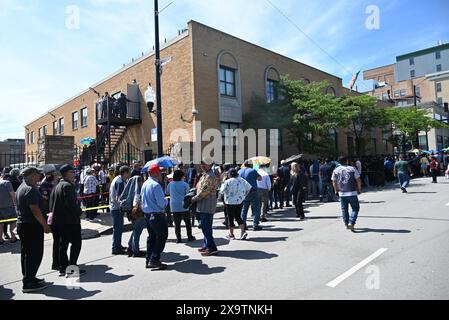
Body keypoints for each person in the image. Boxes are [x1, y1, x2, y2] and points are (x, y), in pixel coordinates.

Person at [16, 167, 51, 293]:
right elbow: (34, 209)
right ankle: (29, 283)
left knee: (27, 253)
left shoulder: (22, 187)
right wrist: (45, 225)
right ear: (31, 175)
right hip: (31, 225)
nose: (39, 176)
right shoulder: (30, 189)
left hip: (25, 225)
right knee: (34, 254)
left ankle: (29, 277)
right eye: (37, 174)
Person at [49, 165, 86, 277]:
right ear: (67, 173)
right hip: (70, 221)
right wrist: (79, 212)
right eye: (72, 172)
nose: (74, 173)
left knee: (63, 245)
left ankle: (63, 267)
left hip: (60, 222)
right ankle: (71, 268)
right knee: (76, 244)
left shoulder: (58, 185)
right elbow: (70, 204)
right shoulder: (67, 186)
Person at [141, 164, 169, 270]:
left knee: (152, 237)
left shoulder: (145, 184)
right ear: (156, 173)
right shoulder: (156, 185)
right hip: (156, 215)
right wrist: (166, 201)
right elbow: (161, 203)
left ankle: (149, 259)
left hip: (148, 214)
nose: (161, 174)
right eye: (160, 172)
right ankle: (154, 259)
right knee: (162, 236)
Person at [192, 160, 219, 256]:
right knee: (204, 226)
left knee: (206, 227)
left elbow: (204, 191)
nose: (202, 165)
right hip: (203, 204)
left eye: (204, 164)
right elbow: (199, 188)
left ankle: (212, 248)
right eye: (201, 163)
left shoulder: (210, 176)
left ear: (210, 165)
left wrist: (194, 199)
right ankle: (206, 245)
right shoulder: (205, 174)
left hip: (207, 204)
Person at [220, 168, 252, 240]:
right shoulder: (241, 179)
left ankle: (231, 234)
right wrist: (244, 195)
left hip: (229, 202)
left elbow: (221, 191)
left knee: (230, 218)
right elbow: (249, 187)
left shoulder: (227, 181)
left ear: (230, 174)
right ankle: (243, 231)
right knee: (238, 216)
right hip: (240, 201)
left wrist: (223, 181)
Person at [332, 157, 362, 232]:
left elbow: (334, 181)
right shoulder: (352, 169)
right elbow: (358, 179)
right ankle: (351, 223)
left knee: (344, 209)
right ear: (347, 161)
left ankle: (346, 223)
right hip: (352, 192)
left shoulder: (336, 170)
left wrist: (336, 190)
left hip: (342, 193)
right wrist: (359, 189)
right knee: (355, 208)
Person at [120, 175, 146, 257]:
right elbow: (136, 204)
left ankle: (131, 246)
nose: (143, 183)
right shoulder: (137, 192)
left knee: (135, 230)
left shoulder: (130, 192)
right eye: (141, 181)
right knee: (138, 231)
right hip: (138, 214)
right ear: (138, 182)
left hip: (131, 213)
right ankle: (136, 250)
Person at [166, 170, 196, 243]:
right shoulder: (185, 184)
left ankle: (178, 238)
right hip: (184, 205)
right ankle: (189, 236)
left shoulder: (170, 184)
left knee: (177, 223)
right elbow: (188, 194)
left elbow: (167, 193)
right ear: (181, 176)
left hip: (174, 206)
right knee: (187, 222)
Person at [109, 166, 131, 255]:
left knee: (118, 228)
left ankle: (118, 245)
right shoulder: (120, 182)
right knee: (118, 229)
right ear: (125, 173)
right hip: (117, 209)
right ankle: (116, 248)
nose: (130, 174)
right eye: (129, 172)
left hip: (115, 208)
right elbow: (119, 198)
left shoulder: (119, 180)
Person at [239, 160, 263, 231]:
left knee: (244, 209)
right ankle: (255, 225)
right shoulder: (253, 171)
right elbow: (260, 178)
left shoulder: (239, 171)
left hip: (243, 192)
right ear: (250, 165)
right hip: (253, 192)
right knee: (256, 208)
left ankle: (243, 224)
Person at [0, 172, 18, 244]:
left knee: (0, 224)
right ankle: (13, 238)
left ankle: (0, 240)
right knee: (12, 223)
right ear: (7, 178)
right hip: (9, 207)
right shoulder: (7, 183)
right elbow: (12, 195)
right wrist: (15, 205)